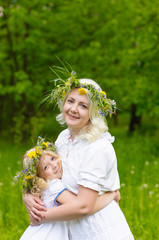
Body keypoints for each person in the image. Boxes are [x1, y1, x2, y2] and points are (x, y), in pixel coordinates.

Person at [23, 66, 134, 240]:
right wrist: (28, 195)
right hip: (73, 230)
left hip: (100, 232)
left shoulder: (97, 147)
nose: (74, 109)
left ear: (92, 113)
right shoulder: (63, 138)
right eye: (71, 101)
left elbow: (83, 206)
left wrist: (41, 217)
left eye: (83, 105)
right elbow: (46, 173)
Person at [17, 137, 117, 240]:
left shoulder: (47, 186)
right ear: (39, 177)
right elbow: (83, 207)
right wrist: (111, 195)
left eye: (53, 159)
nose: (54, 165)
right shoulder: (53, 186)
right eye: (46, 167)